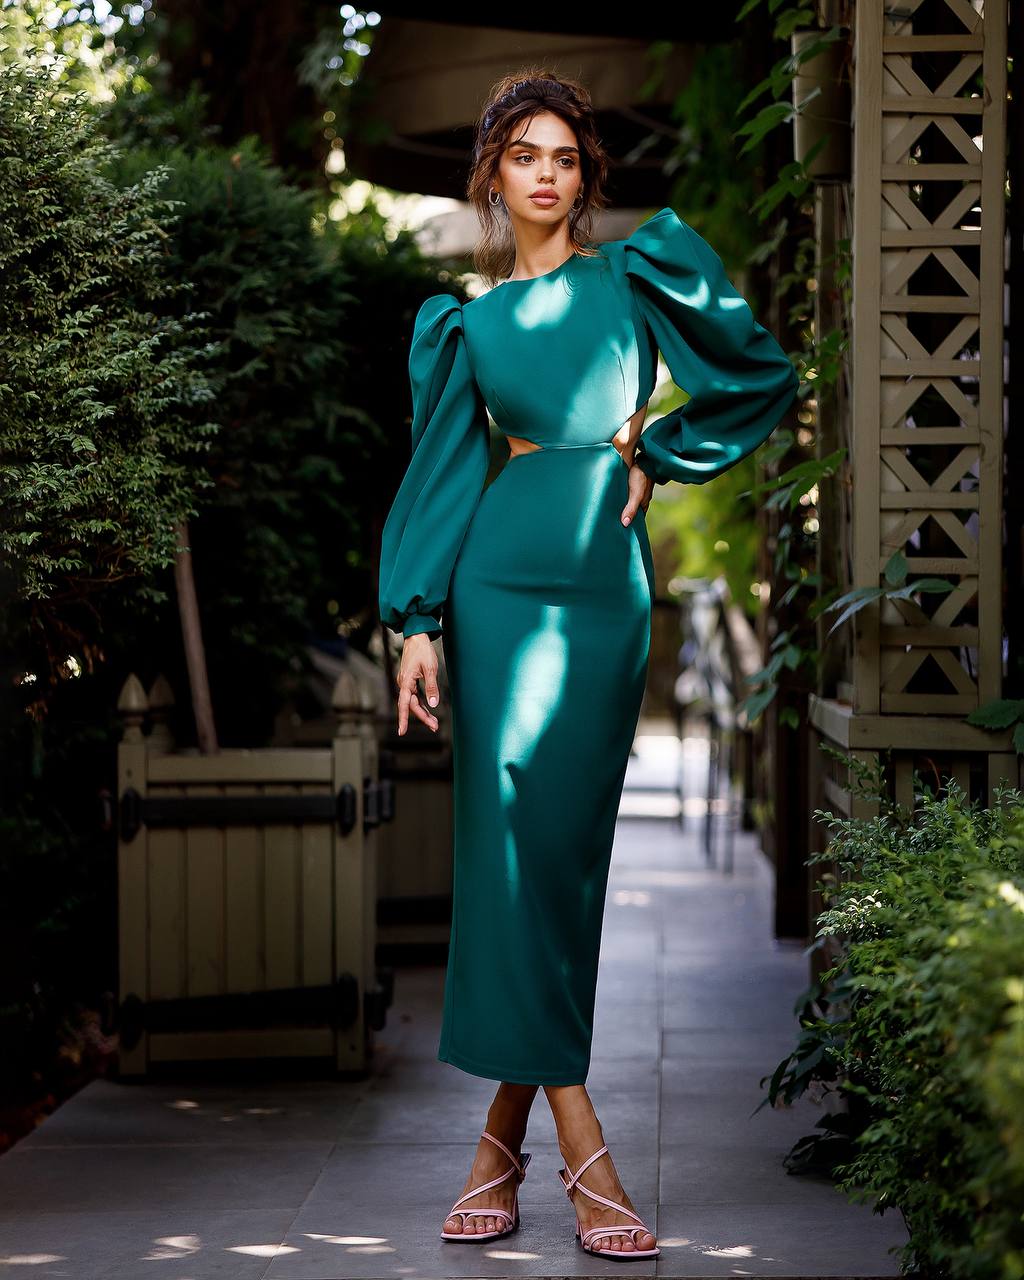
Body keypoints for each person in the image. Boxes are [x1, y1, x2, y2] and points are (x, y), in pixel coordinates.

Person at [377, 70, 800, 1260]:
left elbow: (759, 374)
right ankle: (581, 1140)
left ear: (586, 175)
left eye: (565, 155)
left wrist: (657, 450)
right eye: (524, 154)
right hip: (498, 592)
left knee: (558, 863)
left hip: (603, 595)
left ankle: (495, 1147)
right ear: (493, 173)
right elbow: (444, 474)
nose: (547, 172)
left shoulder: (638, 274)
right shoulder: (463, 321)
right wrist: (415, 618)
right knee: (510, 853)